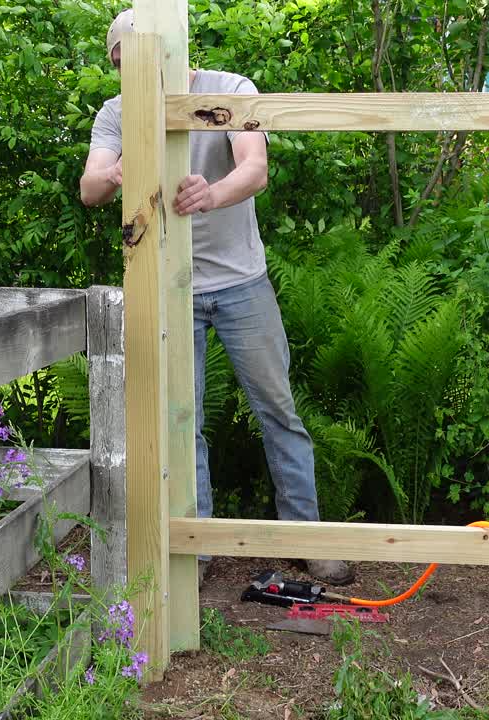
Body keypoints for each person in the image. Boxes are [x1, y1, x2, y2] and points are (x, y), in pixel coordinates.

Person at [79, 9, 353, 587]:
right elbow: (90, 188)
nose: (135, 76)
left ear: (171, 52)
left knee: (278, 412)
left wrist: (212, 193)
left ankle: (309, 540)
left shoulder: (228, 90)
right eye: (122, 67)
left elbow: (254, 169)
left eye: (141, 62)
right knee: (185, 422)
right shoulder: (116, 114)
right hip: (168, 289)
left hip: (240, 282)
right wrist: (118, 172)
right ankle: (197, 553)